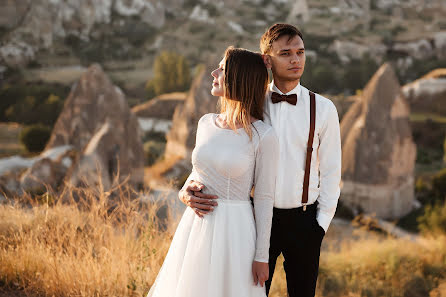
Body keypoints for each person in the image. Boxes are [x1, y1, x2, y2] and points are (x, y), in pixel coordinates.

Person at [179, 24, 342, 297]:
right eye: (285, 53)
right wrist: (187, 190)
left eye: (300, 52)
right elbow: (216, 156)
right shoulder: (250, 102)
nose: (295, 60)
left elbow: (331, 171)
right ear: (267, 60)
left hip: (304, 222)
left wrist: (319, 226)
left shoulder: (323, 109)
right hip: (253, 220)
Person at [147, 46, 279, 297]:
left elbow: (264, 198)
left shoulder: (264, 136)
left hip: (235, 232)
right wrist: (184, 193)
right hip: (196, 227)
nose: (213, 72)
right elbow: (197, 172)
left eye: (222, 68)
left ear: (239, 79)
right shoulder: (206, 123)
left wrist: (262, 256)